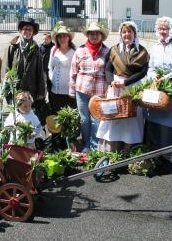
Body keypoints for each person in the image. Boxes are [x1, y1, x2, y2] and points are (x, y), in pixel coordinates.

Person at [144, 17, 172, 174]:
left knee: (167, 126)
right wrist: (153, 76)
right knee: (154, 124)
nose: (163, 32)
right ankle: (155, 156)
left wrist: (168, 77)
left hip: (171, 90)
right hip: (156, 89)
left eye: (166, 29)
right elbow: (150, 68)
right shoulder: (155, 47)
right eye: (161, 29)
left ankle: (167, 159)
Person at [96, 21, 149, 152]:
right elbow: (107, 69)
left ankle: (130, 150)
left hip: (132, 88)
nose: (127, 34)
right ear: (120, 34)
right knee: (113, 118)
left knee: (131, 119)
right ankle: (110, 150)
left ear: (134, 34)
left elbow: (143, 72)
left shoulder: (142, 51)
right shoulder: (114, 50)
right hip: (115, 88)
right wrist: (111, 82)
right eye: (124, 31)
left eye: (129, 31)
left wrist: (125, 83)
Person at [69, 22, 110, 152]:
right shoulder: (80, 50)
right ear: (87, 35)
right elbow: (73, 71)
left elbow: (110, 72)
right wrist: (71, 89)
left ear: (101, 35)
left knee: (96, 119)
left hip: (99, 91)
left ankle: (94, 145)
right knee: (84, 119)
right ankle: (86, 144)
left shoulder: (107, 51)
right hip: (82, 90)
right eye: (91, 33)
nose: (94, 36)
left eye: (97, 33)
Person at [6, 18, 45, 103]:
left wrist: (41, 91)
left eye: (30, 29)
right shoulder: (13, 47)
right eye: (25, 29)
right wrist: (6, 89)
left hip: (30, 90)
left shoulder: (36, 48)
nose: (28, 31)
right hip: (15, 89)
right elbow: (6, 68)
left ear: (33, 32)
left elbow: (39, 71)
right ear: (20, 30)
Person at [48, 21, 76, 114]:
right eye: (60, 36)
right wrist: (51, 78)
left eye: (64, 36)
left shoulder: (74, 52)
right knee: (55, 116)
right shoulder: (54, 49)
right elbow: (50, 67)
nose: (62, 38)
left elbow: (76, 72)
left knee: (67, 117)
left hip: (68, 93)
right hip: (54, 91)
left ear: (69, 37)